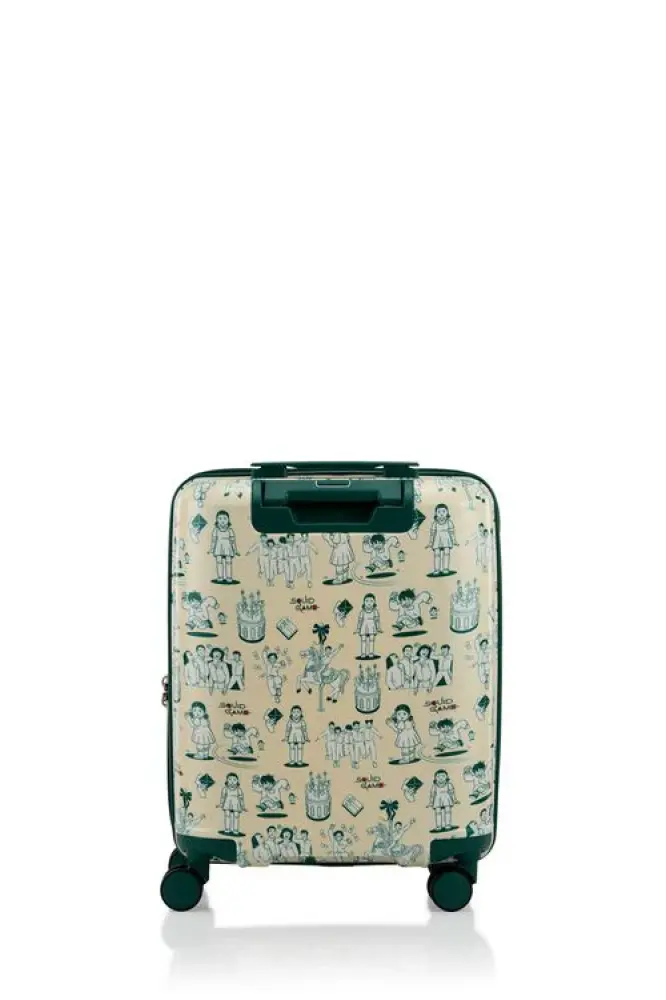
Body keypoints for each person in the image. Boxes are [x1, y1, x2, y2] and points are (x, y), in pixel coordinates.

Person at [209, 509, 239, 582]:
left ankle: (229, 577)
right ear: (216, 520)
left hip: (228, 547)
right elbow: (213, 541)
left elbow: (233, 541)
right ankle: (220, 577)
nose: (222, 521)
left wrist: (235, 550)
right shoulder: (215, 530)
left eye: (225, 518)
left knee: (228, 562)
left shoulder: (230, 530)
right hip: (218, 547)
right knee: (219, 562)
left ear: (228, 520)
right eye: (220, 518)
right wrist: (211, 549)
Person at [355, 593, 382, 658]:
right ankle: (363, 653)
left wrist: (378, 628)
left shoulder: (375, 611)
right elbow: (359, 621)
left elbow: (377, 620)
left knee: (372, 640)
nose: (369, 603)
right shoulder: (362, 611)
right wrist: (358, 629)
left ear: (374, 602)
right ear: (364, 602)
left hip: (372, 627)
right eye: (367, 601)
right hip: (364, 627)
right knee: (363, 640)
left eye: (371, 601)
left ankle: (371, 653)